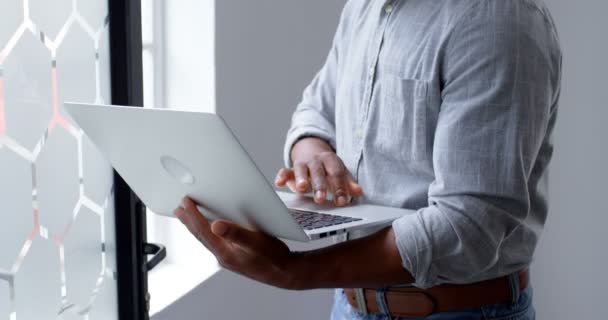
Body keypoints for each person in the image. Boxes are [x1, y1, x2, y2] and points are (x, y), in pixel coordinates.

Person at [173, 0, 562, 319]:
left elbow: (468, 226)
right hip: (351, 306)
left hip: (460, 312)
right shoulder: (366, 6)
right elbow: (316, 108)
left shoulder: (498, 19)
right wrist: (312, 149)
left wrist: (295, 271)